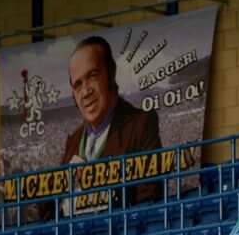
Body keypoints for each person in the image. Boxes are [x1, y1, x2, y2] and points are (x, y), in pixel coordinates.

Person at [57, 35, 164, 208]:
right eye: (77, 85)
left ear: (110, 73)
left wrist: (98, 181)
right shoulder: (73, 141)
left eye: (92, 76)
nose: (85, 92)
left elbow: (149, 200)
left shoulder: (140, 124)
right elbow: (50, 214)